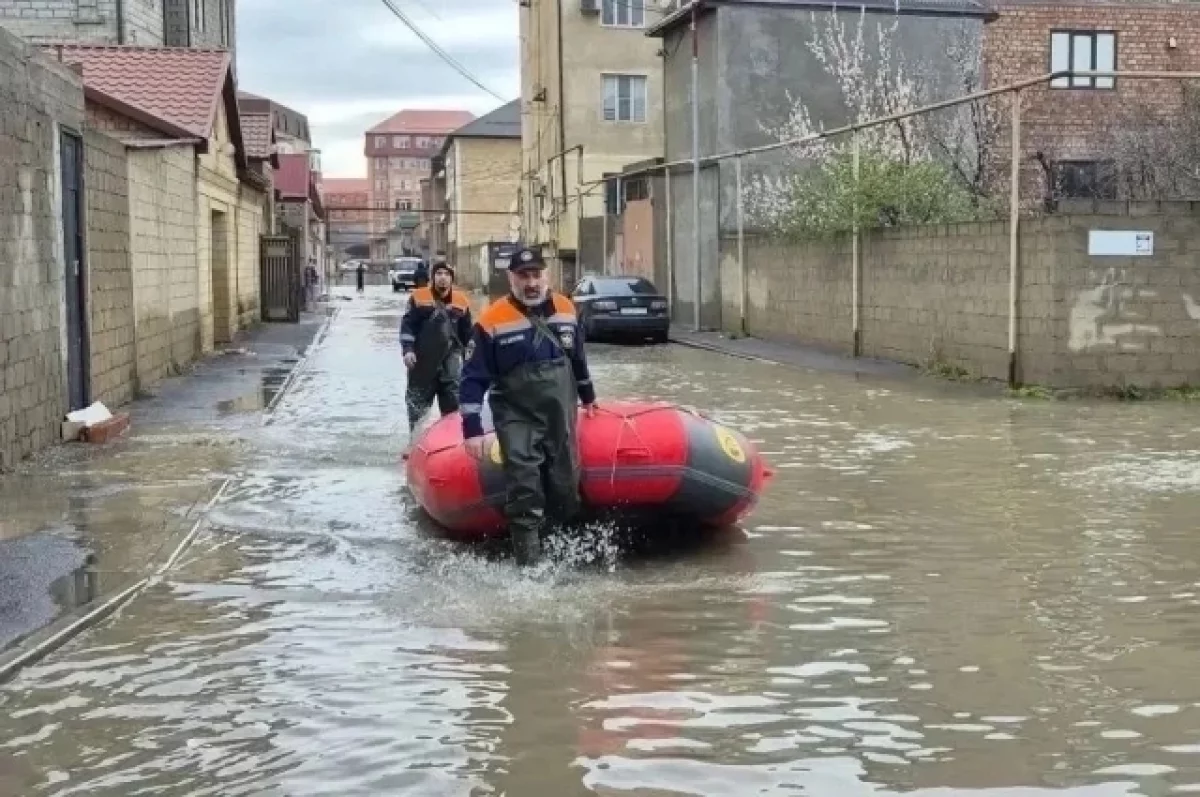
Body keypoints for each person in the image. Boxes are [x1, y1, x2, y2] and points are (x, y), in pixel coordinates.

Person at [459, 246, 597, 565]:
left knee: (565, 488)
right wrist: (472, 430)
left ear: (546, 276)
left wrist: (589, 397)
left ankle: (561, 560)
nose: (531, 283)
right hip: (516, 417)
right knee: (524, 490)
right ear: (511, 278)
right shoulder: (491, 320)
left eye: (536, 275)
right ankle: (530, 569)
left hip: (559, 415)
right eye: (523, 276)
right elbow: (472, 378)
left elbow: (578, 358)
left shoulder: (566, 309)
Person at [400, 261, 472, 440]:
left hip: (451, 363)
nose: (443, 278)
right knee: (417, 407)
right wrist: (408, 350)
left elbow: (468, 335)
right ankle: (415, 442)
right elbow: (407, 327)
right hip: (422, 362)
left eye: (447, 274)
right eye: (439, 273)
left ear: (451, 279)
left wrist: (472, 360)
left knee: (453, 408)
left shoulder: (461, 302)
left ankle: (451, 443)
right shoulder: (418, 297)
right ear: (433, 277)